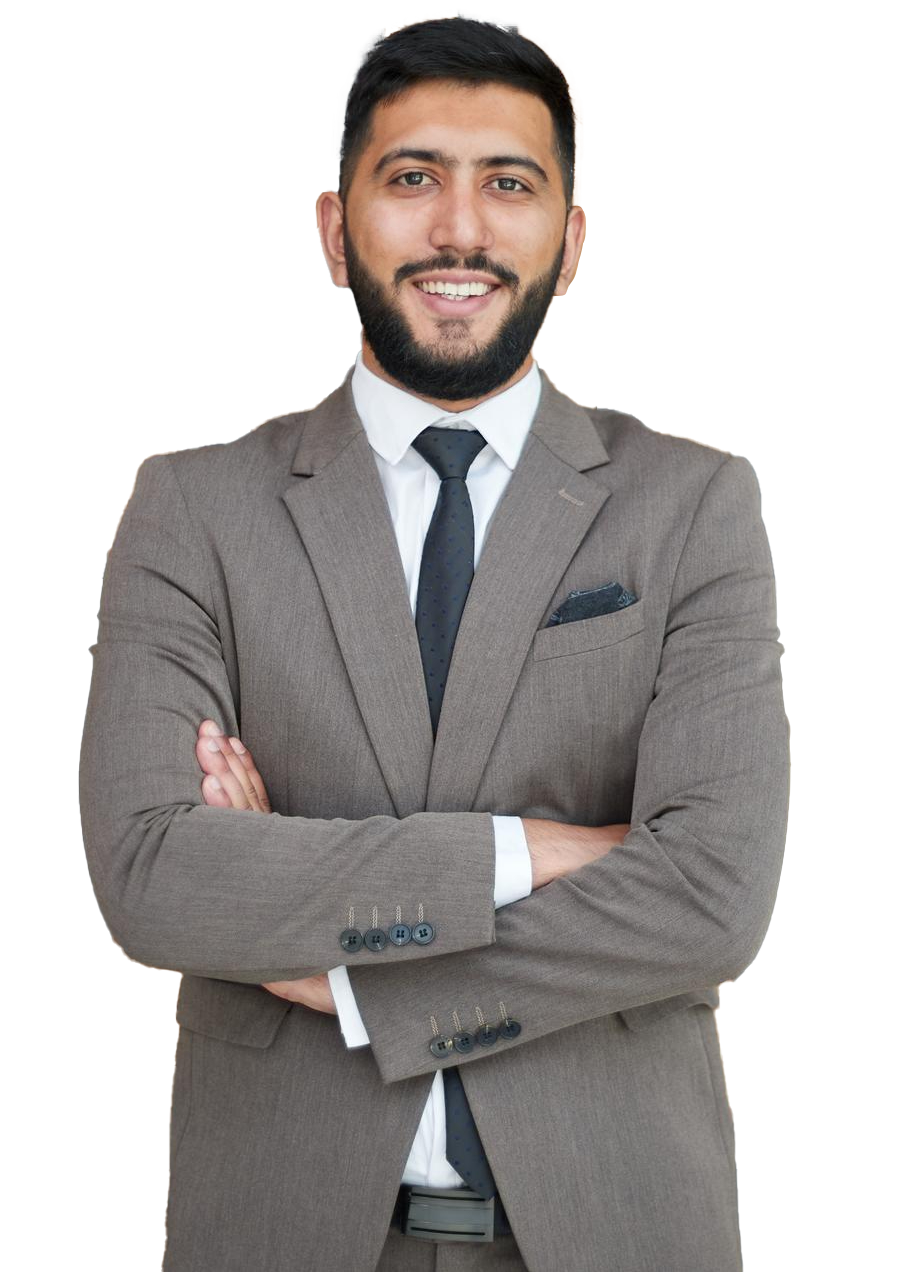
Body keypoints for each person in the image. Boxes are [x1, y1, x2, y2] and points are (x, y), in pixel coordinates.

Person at [79, 17, 790, 1272]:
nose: (459, 229)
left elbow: (712, 901)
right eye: (412, 177)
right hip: (279, 1233)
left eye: (508, 184)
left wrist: (352, 977)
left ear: (570, 241)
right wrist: (541, 850)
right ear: (330, 228)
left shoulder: (693, 505)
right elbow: (150, 875)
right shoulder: (192, 507)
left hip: (618, 1230)